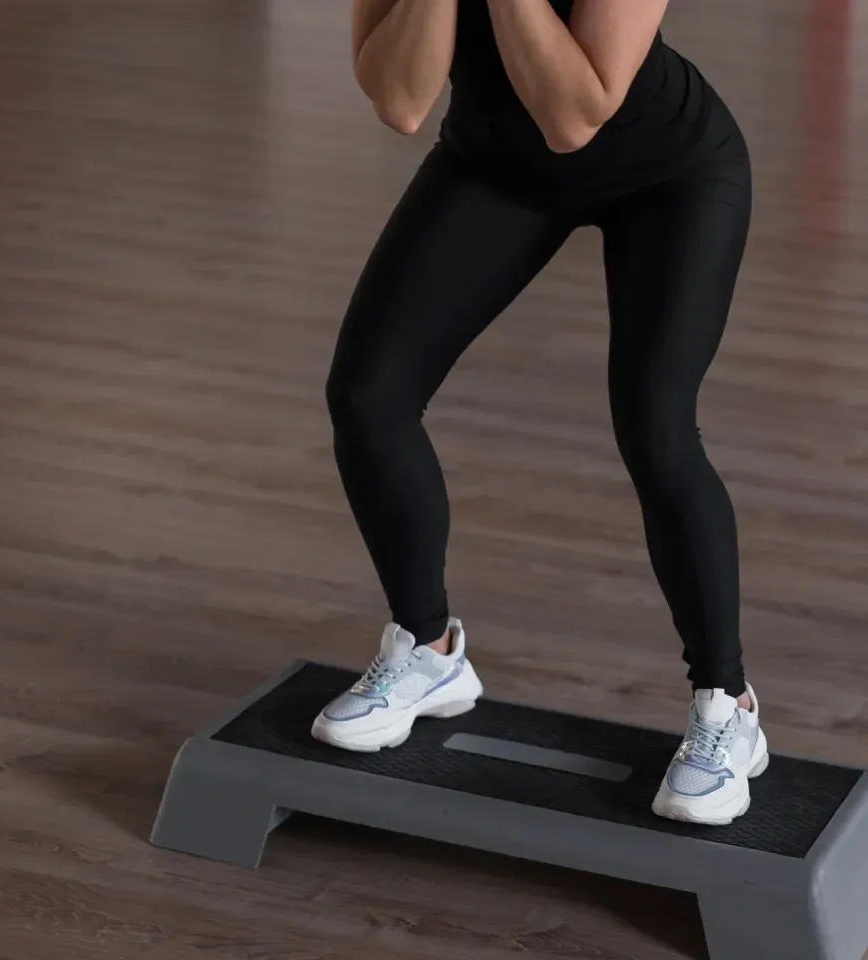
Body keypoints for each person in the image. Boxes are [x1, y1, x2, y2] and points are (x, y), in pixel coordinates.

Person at [310, 0, 764, 826]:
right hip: (498, 162)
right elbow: (401, 100)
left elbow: (573, 116)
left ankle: (728, 708)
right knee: (368, 396)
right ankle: (429, 650)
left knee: (656, 429)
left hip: (668, 173)